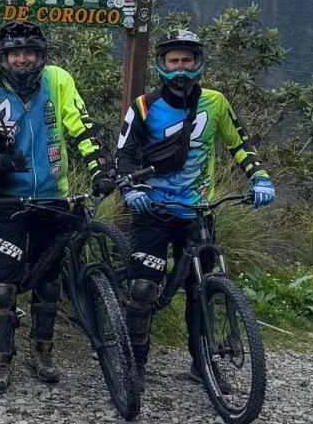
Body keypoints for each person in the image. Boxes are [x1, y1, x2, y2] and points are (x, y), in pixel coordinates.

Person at [115, 29, 275, 374]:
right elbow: (124, 156)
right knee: (142, 288)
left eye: (187, 60)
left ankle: (201, 363)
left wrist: (260, 177)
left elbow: (240, 145)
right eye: (173, 61)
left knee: (201, 290)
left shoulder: (215, 103)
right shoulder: (144, 106)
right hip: (152, 210)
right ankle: (135, 364)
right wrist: (131, 190)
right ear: (162, 65)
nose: (180, 69)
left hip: (198, 213)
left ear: (198, 64)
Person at [0, 20, 114, 394]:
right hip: (8, 202)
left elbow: (80, 126)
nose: (22, 60)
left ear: (41, 55)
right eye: (14, 54)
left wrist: (99, 166)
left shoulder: (58, 81)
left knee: (49, 281)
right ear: (3, 58)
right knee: (2, 286)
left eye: (29, 53)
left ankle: (42, 353)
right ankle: (1, 362)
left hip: (52, 197)